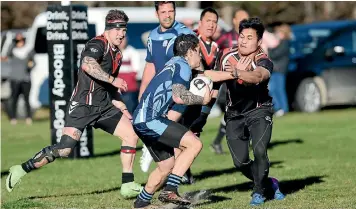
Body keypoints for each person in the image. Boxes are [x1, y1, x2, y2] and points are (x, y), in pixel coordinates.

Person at [6, 10, 142, 199]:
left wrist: (123, 107)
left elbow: (110, 88)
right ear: (108, 29)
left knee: (131, 135)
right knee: (64, 149)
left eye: (124, 30)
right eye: (117, 29)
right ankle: (21, 168)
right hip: (82, 106)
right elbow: (88, 64)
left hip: (104, 107)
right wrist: (113, 80)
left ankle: (127, 184)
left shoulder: (117, 54)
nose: (121, 34)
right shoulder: (97, 43)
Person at [204, 17, 285, 206]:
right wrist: (205, 106)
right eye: (241, 36)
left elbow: (258, 76)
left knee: (259, 150)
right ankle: (268, 182)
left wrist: (237, 73)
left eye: (249, 37)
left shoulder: (263, 60)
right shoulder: (225, 55)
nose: (243, 40)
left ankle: (258, 191)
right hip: (234, 114)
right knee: (240, 163)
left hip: (259, 110)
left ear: (258, 42)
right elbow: (212, 77)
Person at [132, 34, 212, 209]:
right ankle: (171, 189)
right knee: (194, 145)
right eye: (199, 52)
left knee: (166, 166)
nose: (200, 56)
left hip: (141, 120)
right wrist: (202, 99)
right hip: (149, 119)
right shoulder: (183, 66)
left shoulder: (172, 63)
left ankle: (141, 203)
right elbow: (179, 95)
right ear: (190, 51)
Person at [138, 1, 195, 173]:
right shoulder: (152, 36)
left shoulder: (184, 34)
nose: (168, 15)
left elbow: (194, 63)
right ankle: (176, 179)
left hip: (178, 92)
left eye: (171, 11)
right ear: (157, 14)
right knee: (176, 138)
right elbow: (150, 66)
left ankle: (153, 146)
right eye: (163, 12)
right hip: (159, 94)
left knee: (174, 132)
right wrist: (142, 94)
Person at [178, 7, 221, 184]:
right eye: (208, 21)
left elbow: (215, 74)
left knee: (194, 135)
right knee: (183, 134)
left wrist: (215, 92)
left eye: (214, 22)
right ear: (201, 23)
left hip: (207, 99)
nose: (211, 25)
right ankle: (178, 172)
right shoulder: (191, 41)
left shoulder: (217, 47)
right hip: (190, 97)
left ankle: (183, 170)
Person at [8, 33, 34, 125]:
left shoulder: (29, 51)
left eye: (21, 40)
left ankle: (28, 117)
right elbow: (8, 55)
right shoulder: (12, 50)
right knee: (14, 99)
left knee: (27, 99)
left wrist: (30, 66)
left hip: (25, 79)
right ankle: (13, 118)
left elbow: (33, 62)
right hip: (15, 78)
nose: (20, 42)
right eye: (17, 41)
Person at [268, 24, 291, 117]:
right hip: (276, 69)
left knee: (279, 89)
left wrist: (268, 50)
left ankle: (283, 108)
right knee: (273, 89)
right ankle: (278, 107)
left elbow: (275, 54)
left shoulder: (284, 43)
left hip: (279, 70)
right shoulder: (281, 43)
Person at [118, 36, 141, 114]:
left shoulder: (132, 52)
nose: (121, 42)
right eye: (120, 39)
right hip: (115, 88)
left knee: (129, 110)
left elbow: (135, 71)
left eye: (123, 39)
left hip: (129, 88)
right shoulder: (112, 52)